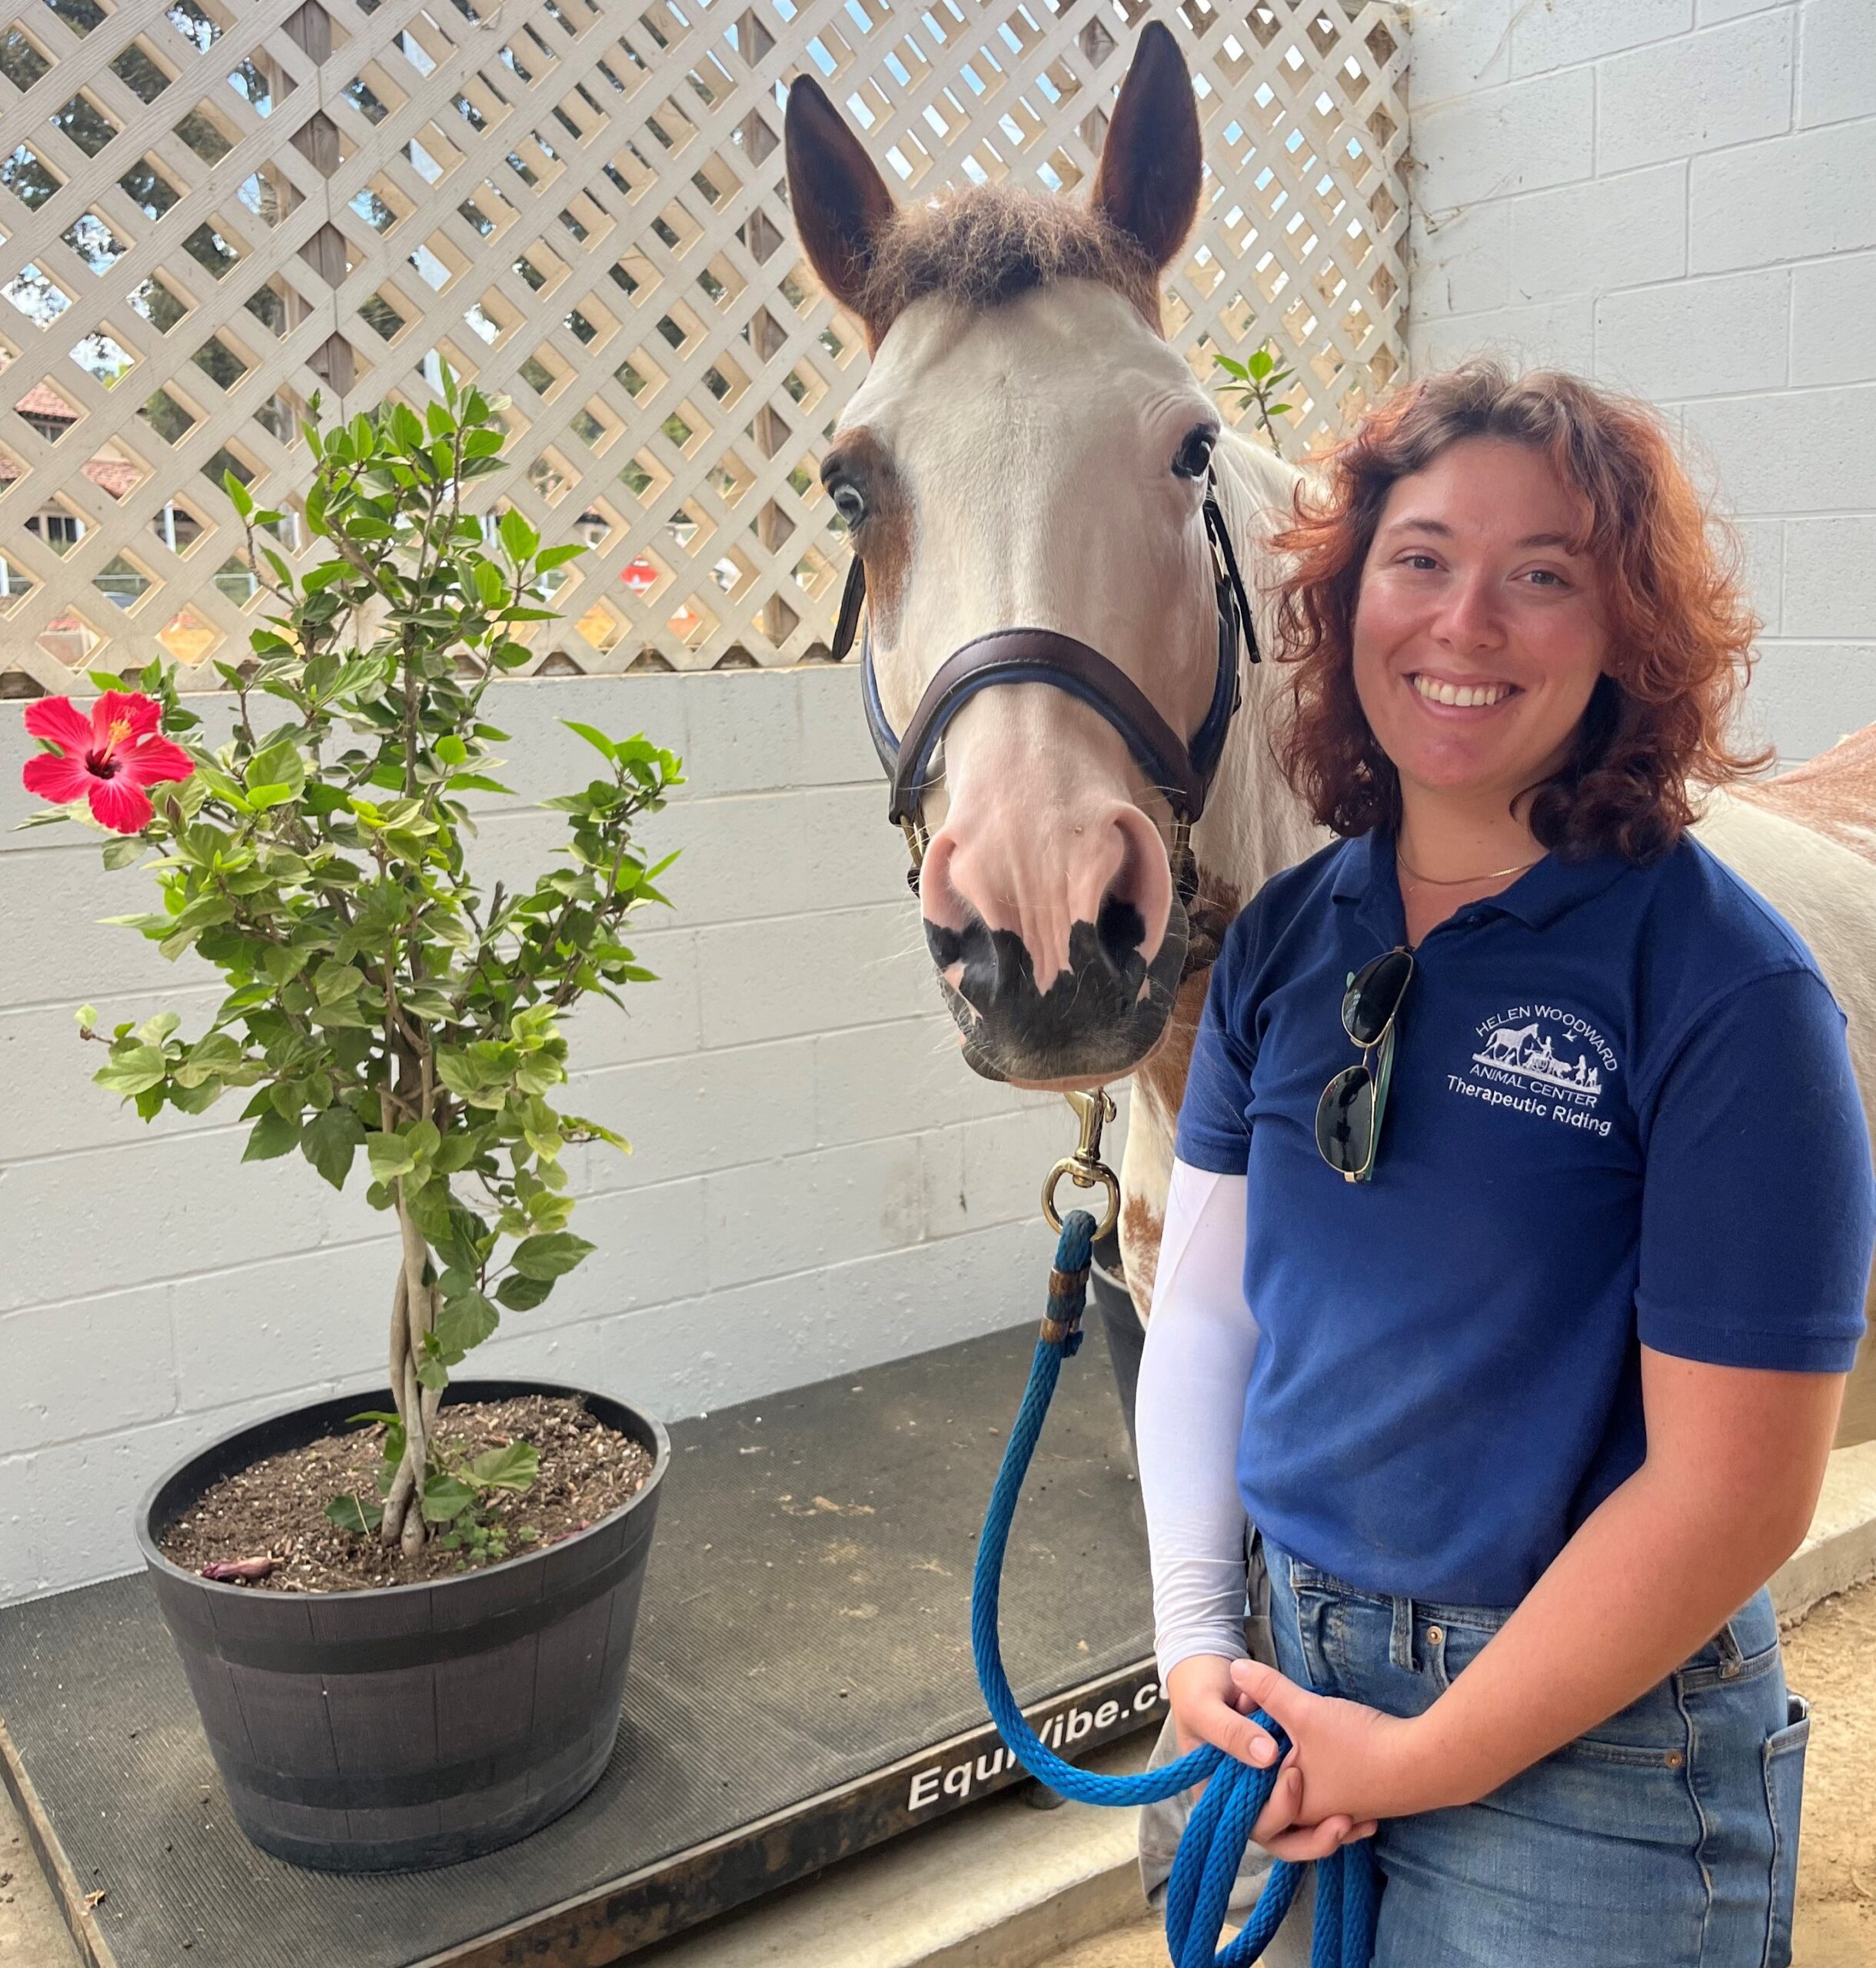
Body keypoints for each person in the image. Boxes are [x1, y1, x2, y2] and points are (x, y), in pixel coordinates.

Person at [1134, 362, 1874, 1966]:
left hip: (1588, 1741)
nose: (1463, 620)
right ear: (1346, 603)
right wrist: (1192, 1637)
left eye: (1541, 574)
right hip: (1273, 1665)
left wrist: (1414, 1755)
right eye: (1418, 558)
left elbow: (1729, 1490)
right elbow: (1201, 1323)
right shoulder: (1278, 941)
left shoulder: (1722, 989)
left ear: (1623, 637)